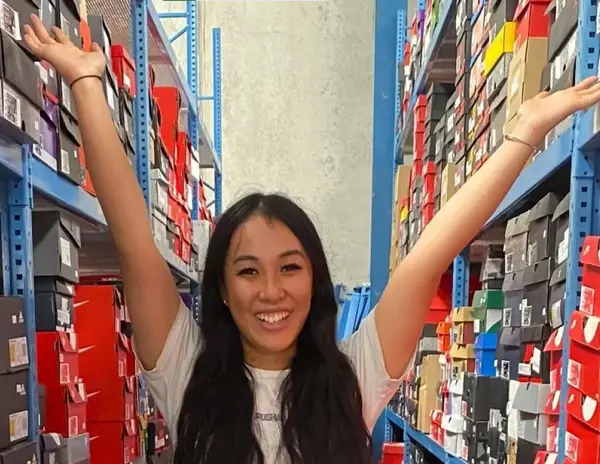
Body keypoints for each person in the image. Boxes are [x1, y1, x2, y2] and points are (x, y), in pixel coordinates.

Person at [23, 14, 600, 464]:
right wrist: (87, 84)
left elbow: (425, 262)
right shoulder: (186, 373)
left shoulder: (354, 378)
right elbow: (135, 244)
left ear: (316, 279)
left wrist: (520, 134)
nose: (271, 290)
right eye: (248, 270)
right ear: (222, 288)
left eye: (290, 267)